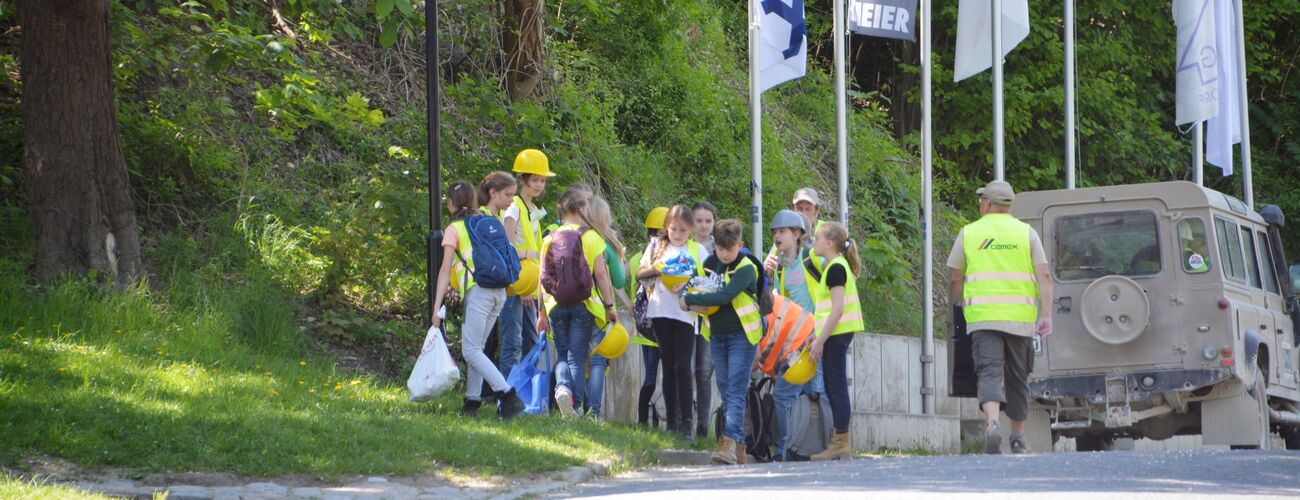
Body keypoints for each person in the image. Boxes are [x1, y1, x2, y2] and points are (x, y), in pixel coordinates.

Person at [946, 180, 1053, 455]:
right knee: (1019, 377)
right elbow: (1044, 275)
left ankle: (993, 424)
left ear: (989, 204)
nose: (980, 204)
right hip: (1020, 319)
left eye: (982, 200)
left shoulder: (969, 233)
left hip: (983, 317)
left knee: (989, 372)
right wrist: (1046, 315)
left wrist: (961, 303)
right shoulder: (1026, 233)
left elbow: (955, 275)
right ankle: (1017, 437)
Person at [430, 181, 526, 420]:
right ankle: (472, 402)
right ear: (474, 200)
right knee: (477, 349)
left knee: (471, 350)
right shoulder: (489, 222)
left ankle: (508, 395)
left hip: (479, 292)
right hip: (499, 292)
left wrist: (436, 307)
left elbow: (444, 271)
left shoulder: (454, 229)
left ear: (451, 203)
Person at [680, 220, 761, 465]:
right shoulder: (709, 263)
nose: (724, 254)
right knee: (725, 388)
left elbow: (723, 296)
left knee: (735, 389)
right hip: (716, 335)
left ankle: (727, 443)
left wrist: (689, 301)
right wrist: (688, 297)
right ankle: (740, 446)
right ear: (715, 245)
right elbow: (690, 285)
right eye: (721, 249)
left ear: (741, 245)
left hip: (742, 336)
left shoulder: (746, 268)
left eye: (730, 249)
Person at [540, 184, 617, 418]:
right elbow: (601, 275)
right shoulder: (592, 237)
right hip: (583, 305)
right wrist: (610, 305)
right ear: (583, 208)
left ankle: (562, 388)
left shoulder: (549, 238)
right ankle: (577, 407)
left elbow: (540, 276)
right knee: (577, 355)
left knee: (562, 354)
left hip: (555, 305)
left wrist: (542, 313)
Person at [636, 205, 706, 439]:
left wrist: (688, 286)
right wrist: (657, 269)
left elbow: (708, 281)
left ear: (690, 231)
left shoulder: (697, 250)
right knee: (668, 367)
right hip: (660, 311)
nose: (677, 234)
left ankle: (687, 423)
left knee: (683, 367)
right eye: (673, 229)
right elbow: (639, 274)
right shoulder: (656, 246)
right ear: (667, 227)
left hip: (686, 314)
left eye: (682, 230)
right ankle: (672, 422)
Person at [763, 209, 827, 460]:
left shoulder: (812, 259)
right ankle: (801, 447)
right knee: (798, 393)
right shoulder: (778, 267)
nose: (777, 237)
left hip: (817, 337)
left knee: (815, 394)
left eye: (782, 232)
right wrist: (766, 275)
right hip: (795, 342)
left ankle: (793, 447)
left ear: (797, 234)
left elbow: (837, 284)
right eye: (775, 232)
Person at [806, 222, 865, 460]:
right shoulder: (835, 266)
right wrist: (817, 334)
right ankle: (839, 441)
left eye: (817, 238)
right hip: (836, 332)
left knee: (836, 384)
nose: (814, 242)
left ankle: (841, 440)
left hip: (837, 332)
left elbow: (838, 309)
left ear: (829, 243)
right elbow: (829, 308)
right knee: (833, 384)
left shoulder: (835, 268)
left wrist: (820, 341)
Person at [499, 149, 553, 381]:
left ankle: (527, 393)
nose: (539, 185)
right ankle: (506, 394)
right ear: (522, 180)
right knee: (513, 343)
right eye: (534, 180)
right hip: (516, 284)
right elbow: (507, 249)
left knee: (533, 341)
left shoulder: (531, 209)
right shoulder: (513, 208)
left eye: (542, 180)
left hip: (530, 284)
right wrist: (522, 286)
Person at [584, 196, 627, 419]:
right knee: (598, 359)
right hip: (599, 307)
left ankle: (574, 407)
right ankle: (593, 412)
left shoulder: (574, 235)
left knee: (574, 357)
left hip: (572, 304)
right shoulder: (605, 243)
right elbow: (619, 281)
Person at [632, 207, 668, 426]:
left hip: (645, 327)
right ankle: (647, 420)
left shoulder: (638, 257)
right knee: (657, 377)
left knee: (652, 377)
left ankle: (644, 421)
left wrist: (628, 305)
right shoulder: (658, 257)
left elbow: (618, 279)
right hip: (655, 325)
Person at [690, 200, 718, 438]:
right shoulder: (686, 247)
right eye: (699, 220)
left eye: (708, 221)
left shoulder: (720, 249)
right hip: (689, 316)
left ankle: (702, 426)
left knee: (704, 373)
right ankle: (686, 422)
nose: (703, 225)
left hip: (710, 319)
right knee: (687, 371)